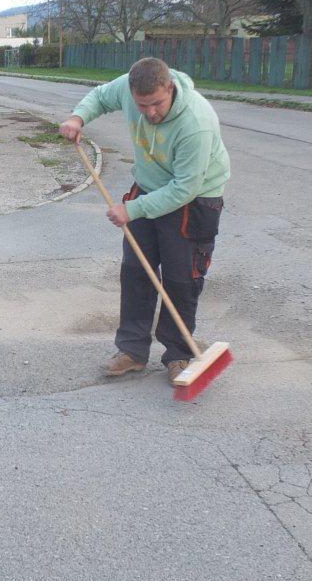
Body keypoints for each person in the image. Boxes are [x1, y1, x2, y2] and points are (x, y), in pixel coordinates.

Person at [59, 57, 229, 384]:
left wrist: (132, 210)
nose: (150, 112)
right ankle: (132, 351)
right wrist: (78, 117)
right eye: (142, 105)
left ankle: (178, 354)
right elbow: (99, 96)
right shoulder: (127, 88)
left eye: (157, 104)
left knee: (181, 279)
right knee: (136, 270)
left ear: (171, 88)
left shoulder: (196, 121)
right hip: (149, 186)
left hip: (194, 200)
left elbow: (184, 188)